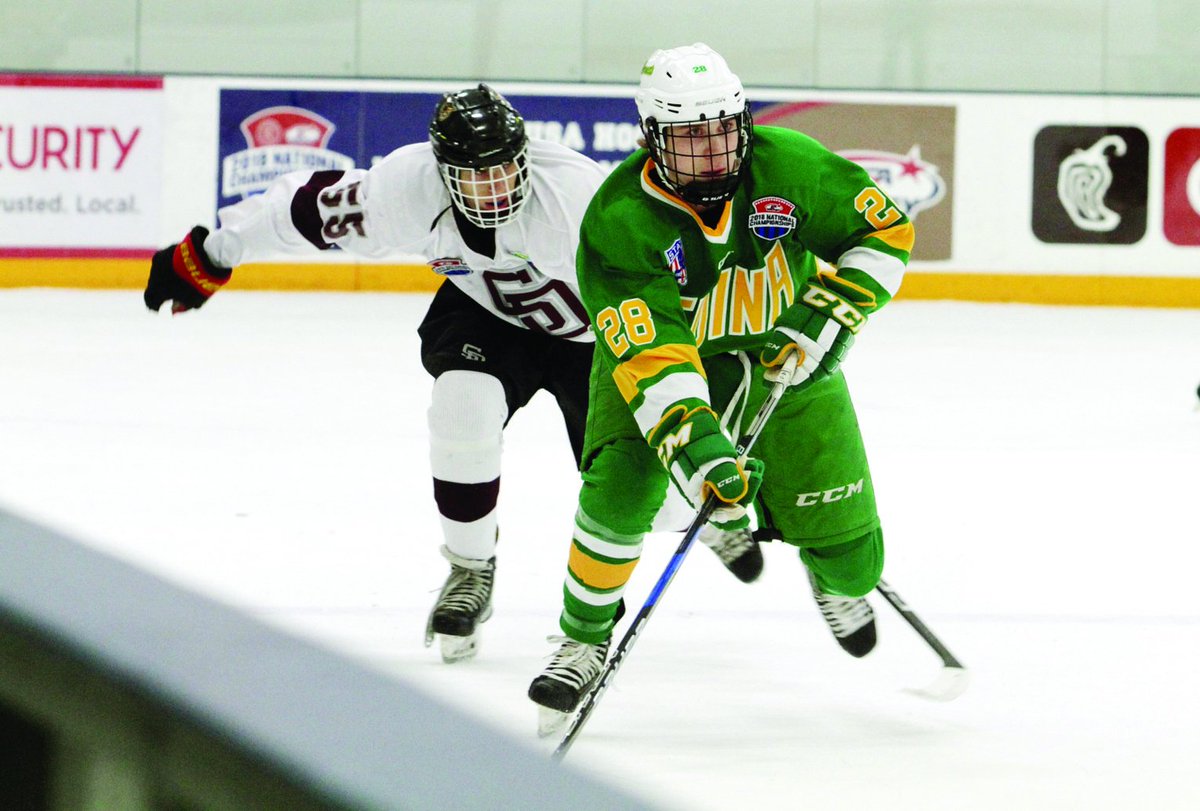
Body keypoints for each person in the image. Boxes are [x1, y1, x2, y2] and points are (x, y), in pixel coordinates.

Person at [142, 83, 760, 664]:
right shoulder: (402, 191)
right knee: (461, 405)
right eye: (474, 174)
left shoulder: (578, 201)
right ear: (443, 173)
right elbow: (297, 207)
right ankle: (470, 569)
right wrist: (209, 254)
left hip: (597, 338)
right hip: (488, 314)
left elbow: (666, 292)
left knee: (653, 502)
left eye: (503, 169)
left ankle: (694, 514)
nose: (493, 188)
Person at [527, 44, 914, 724]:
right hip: (669, 367)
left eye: (721, 133)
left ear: (743, 121)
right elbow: (653, 359)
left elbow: (883, 228)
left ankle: (830, 573)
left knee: (855, 557)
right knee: (621, 489)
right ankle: (582, 638)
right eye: (688, 138)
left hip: (784, 359)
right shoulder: (620, 220)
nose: (711, 154)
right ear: (651, 137)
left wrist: (830, 312)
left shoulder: (788, 166)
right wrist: (700, 451)